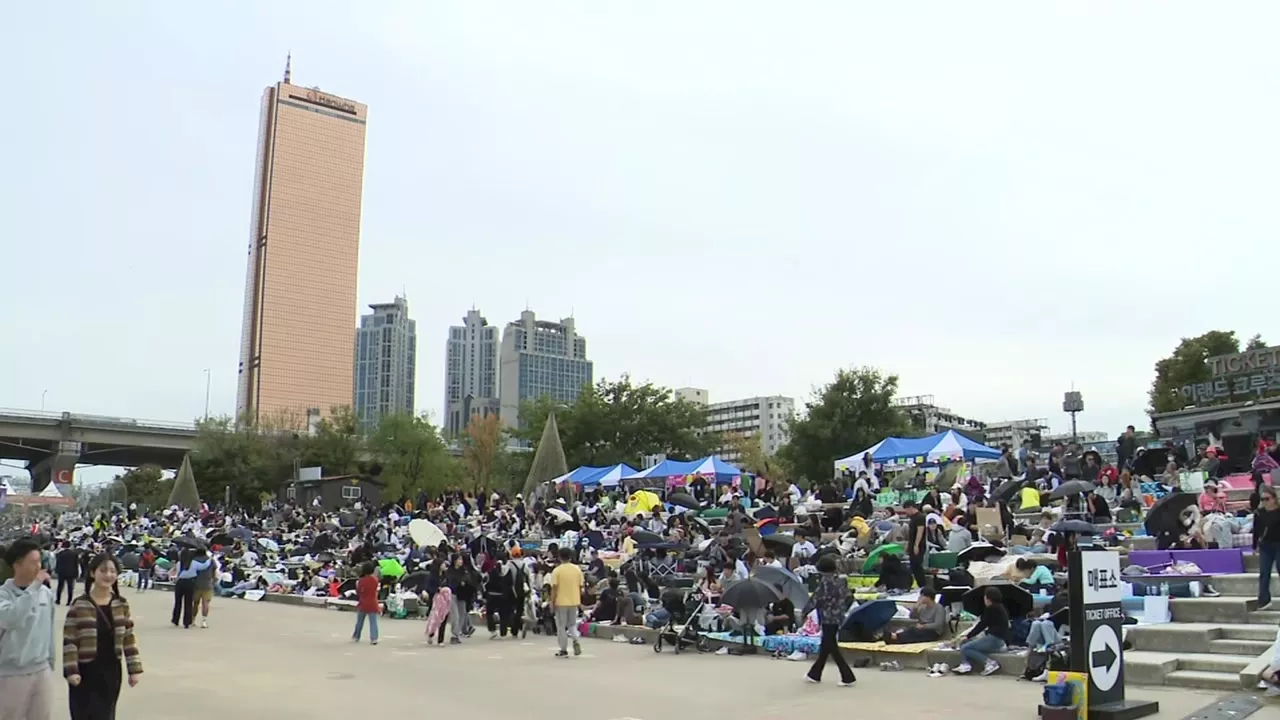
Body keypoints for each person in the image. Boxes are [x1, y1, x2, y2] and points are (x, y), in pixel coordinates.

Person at [63, 554, 142, 720]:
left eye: (113, 571)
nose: (108, 575)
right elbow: (70, 640)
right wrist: (71, 671)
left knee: (106, 715)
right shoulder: (80, 604)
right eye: (103, 570)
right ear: (93, 573)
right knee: (83, 715)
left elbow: (128, 638)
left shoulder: (121, 603)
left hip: (111, 670)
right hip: (85, 671)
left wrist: (134, 670)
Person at [0, 538, 57, 720]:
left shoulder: (45, 594)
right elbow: (11, 618)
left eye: (39, 561)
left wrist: (50, 662)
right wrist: (33, 588)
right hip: (11, 674)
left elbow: (49, 628)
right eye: (33, 562)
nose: (38, 566)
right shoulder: (4, 594)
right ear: (17, 565)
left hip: (41, 670)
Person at [802, 554, 855, 686]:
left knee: (831, 646)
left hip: (827, 617)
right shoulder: (841, 581)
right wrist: (842, 609)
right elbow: (850, 597)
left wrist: (805, 612)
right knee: (826, 646)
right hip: (838, 616)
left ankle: (847, 676)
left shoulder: (825, 583)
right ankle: (814, 674)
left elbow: (815, 599)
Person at [955, 586, 1009, 676]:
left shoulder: (992, 608)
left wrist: (968, 635)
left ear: (988, 598)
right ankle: (965, 664)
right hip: (995, 639)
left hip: (994, 639)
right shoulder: (999, 607)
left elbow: (982, 625)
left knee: (966, 648)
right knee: (965, 643)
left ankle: (989, 663)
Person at [548, 546, 584, 658]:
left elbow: (554, 588)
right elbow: (580, 586)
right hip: (574, 600)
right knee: (572, 624)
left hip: (561, 601)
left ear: (559, 557)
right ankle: (575, 639)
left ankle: (563, 649)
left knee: (561, 626)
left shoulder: (557, 570)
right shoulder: (577, 569)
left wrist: (552, 602)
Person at [1253, 486, 1280, 611]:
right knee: (1264, 573)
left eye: (1267, 499)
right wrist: (1254, 547)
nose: (1264, 502)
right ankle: (1264, 600)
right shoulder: (1259, 513)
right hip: (1265, 546)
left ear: (1274, 499)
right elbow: (1256, 531)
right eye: (1262, 499)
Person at [171, 549, 212, 629]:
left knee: (178, 602)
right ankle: (187, 622)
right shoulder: (194, 563)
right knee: (188, 603)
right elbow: (204, 566)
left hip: (180, 583)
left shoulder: (179, 563)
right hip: (190, 582)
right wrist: (210, 559)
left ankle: (175, 619)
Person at [352, 562, 379, 645]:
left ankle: (356, 636)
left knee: (359, 621)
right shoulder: (375, 579)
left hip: (363, 602)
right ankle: (374, 638)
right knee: (373, 622)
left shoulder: (361, 581)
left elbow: (359, 592)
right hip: (373, 602)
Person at [904, 501, 928, 590]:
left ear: (911, 507)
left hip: (918, 545)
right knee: (913, 566)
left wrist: (916, 545)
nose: (906, 512)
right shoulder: (912, 518)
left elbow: (920, 531)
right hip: (912, 543)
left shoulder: (920, 517)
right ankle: (920, 585)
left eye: (906, 509)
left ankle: (923, 585)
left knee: (917, 566)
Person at [193, 552, 218, 629]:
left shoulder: (194, 559)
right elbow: (214, 571)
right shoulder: (211, 560)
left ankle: (193, 619)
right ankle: (204, 621)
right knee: (205, 603)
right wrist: (213, 580)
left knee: (195, 603)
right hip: (207, 584)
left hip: (196, 584)